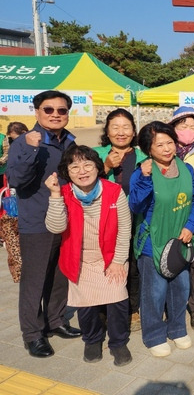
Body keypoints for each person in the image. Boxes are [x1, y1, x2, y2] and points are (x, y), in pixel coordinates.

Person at [7, 90, 82, 358]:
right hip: (37, 222)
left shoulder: (69, 142)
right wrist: (31, 149)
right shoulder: (25, 142)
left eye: (61, 110)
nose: (55, 115)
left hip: (65, 220)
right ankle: (32, 334)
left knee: (59, 276)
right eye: (48, 110)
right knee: (35, 280)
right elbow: (16, 180)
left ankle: (56, 320)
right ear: (37, 112)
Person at [44, 146, 132, 366]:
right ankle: (92, 340)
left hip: (111, 257)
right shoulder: (64, 194)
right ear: (67, 171)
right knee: (86, 305)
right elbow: (56, 227)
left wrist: (118, 261)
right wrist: (55, 195)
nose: (82, 171)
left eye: (87, 165)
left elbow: (124, 228)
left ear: (97, 167)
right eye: (74, 166)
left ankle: (119, 342)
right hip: (79, 260)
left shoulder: (113, 191)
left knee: (118, 300)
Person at [129, 121, 194, 357]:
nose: (166, 148)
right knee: (155, 291)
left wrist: (191, 226)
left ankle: (177, 329)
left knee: (181, 287)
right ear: (148, 149)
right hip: (153, 241)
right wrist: (144, 178)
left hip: (179, 240)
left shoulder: (186, 168)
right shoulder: (141, 172)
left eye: (169, 142)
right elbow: (136, 204)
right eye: (159, 144)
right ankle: (154, 335)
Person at [93, 109, 146, 332]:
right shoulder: (95, 153)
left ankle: (132, 308)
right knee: (105, 264)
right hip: (104, 221)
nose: (121, 132)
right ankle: (103, 309)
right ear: (107, 130)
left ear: (134, 131)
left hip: (135, 220)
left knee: (132, 266)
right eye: (115, 127)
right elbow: (82, 184)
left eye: (126, 127)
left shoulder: (144, 155)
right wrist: (104, 167)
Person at [167, 106, 194, 331]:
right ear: (173, 128)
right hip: (169, 219)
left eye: (192, 127)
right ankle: (172, 305)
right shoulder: (164, 149)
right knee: (170, 263)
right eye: (182, 126)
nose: (187, 130)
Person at [1, 122, 29, 187]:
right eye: (12, 139)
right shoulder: (15, 145)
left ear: (24, 132)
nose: (15, 142)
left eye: (16, 139)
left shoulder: (33, 145)